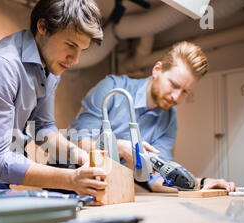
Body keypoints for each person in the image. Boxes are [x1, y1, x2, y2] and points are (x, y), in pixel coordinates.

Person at [0, 0, 107, 199]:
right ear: (42, 27)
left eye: (81, 49)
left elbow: (42, 127)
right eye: (70, 45)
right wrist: (70, 179)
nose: (75, 59)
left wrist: (77, 155)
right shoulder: (1, 66)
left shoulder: (51, 67)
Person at [70, 41, 235, 192]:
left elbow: (157, 177)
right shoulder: (112, 88)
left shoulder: (169, 120)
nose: (176, 97)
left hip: (104, 186)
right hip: (68, 176)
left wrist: (200, 183)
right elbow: (78, 142)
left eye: (185, 91)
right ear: (157, 70)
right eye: (174, 85)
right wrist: (119, 147)